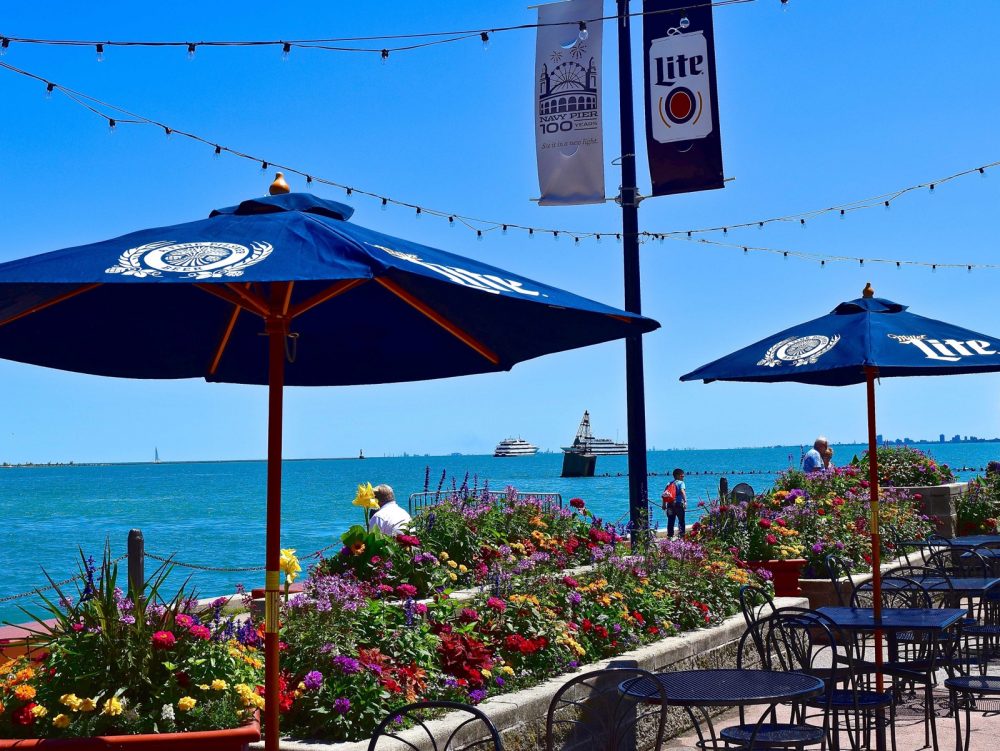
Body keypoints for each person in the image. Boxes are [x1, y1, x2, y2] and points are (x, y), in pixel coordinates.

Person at [661, 468, 687, 538]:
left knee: (670, 521)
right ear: (677, 476)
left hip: (670, 505)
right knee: (681, 521)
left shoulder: (669, 483)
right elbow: (682, 491)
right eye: (682, 476)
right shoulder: (681, 483)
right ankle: (682, 536)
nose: (683, 477)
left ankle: (670, 536)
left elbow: (664, 494)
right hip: (678, 504)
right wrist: (685, 501)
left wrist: (663, 504)